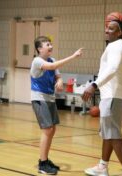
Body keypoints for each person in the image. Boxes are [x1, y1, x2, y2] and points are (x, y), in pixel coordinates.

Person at [82, 12, 122, 176]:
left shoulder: (116, 46)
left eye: (111, 28)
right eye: (106, 27)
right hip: (113, 95)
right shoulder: (115, 46)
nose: (107, 31)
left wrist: (94, 85)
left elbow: (112, 69)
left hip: (114, 96)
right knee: (108, 134)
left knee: (113, 135)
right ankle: (102, 167)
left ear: (119, 32)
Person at [31, 36, 82, 175]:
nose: (51, 46)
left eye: (51, 44)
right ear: (40, 48)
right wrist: (73, 56)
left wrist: (59, 81)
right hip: (39, 98)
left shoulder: (52, 59)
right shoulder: (37, 61)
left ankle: (45, 159)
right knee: (47, 130)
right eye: (48, 44)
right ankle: (42, 164)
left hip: (50, 98)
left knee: (52, 130)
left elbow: (57, 74)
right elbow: (52, 67)